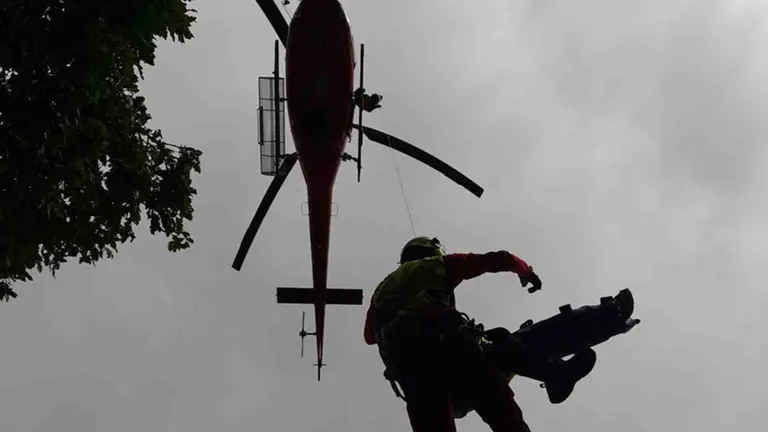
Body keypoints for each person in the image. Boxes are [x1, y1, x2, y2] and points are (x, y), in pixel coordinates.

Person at [363, 236, 596, 432]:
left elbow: (369, 337)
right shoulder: (435, 264)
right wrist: (525, 271)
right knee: (498, 362)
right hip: (454, 353)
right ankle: (554, 375)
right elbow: (496, 259)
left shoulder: (380, 293)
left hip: (413, 374)